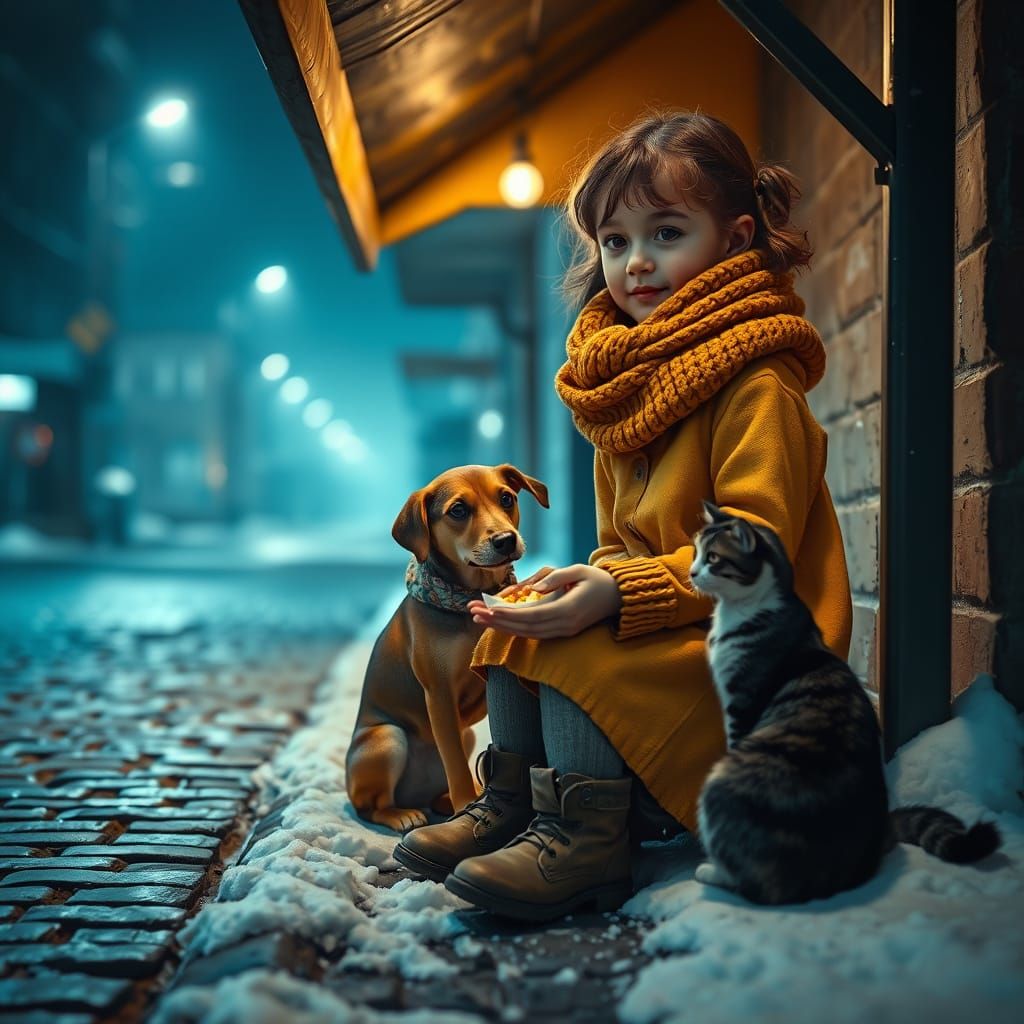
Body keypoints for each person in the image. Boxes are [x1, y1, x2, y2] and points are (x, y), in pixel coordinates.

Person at [394, 110, 852, 922]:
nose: (636, 264)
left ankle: (587, 842)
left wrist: (614, 596)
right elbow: (619, 546)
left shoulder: (757, 384)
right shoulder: (630, 389)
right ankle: (518, 805)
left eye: (666, 232)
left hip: (752, 650)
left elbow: (758, 555)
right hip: (679, 619)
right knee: (524, 610)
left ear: (735, 237)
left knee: (586, 647)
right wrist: (591, 576)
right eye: (614, 242)